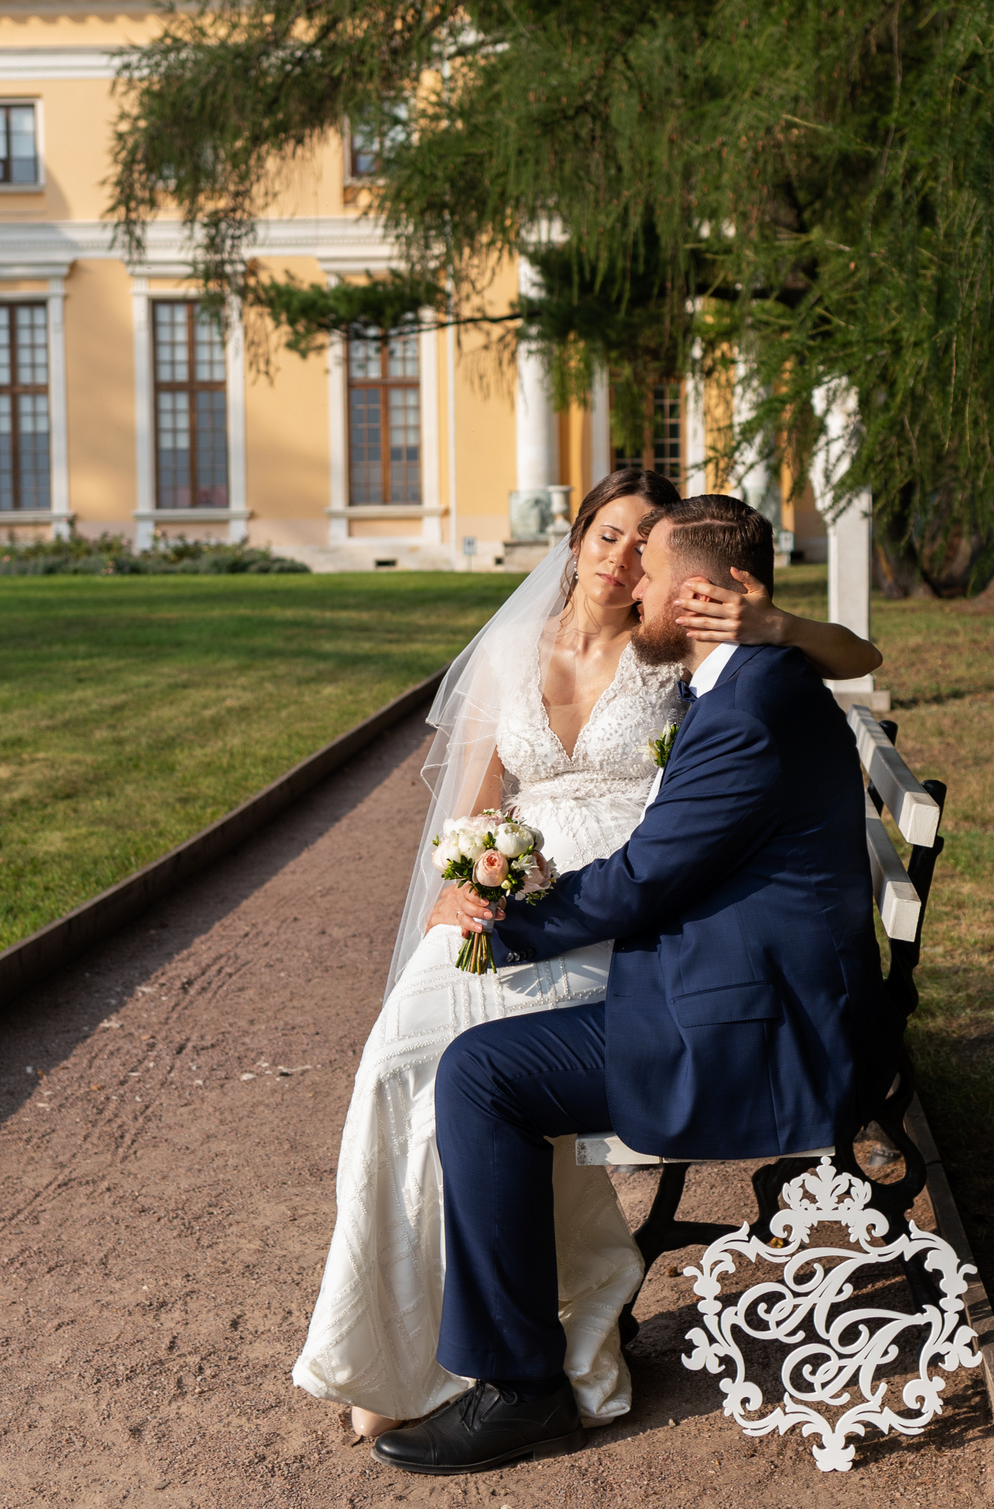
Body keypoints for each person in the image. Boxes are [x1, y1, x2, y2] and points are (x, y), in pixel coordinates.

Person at [294, 470, 881, 1443]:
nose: (629, 579)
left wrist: (507, 930)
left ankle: (524, 1377)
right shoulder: (729, 685)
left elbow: (643, 877)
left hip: (735, 1014)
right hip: (690, 960)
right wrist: (477, 896)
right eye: (615, 545)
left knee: (473, 1075)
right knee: (425, 1063)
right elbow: (637, 858)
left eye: (646, 559)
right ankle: (439, 1356)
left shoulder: (742, 693)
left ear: (701, 590)